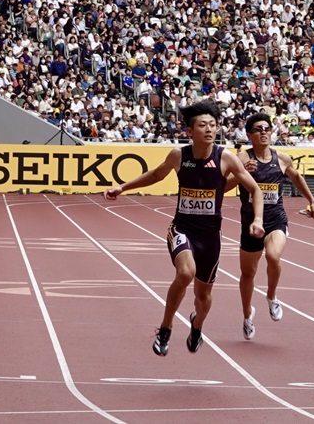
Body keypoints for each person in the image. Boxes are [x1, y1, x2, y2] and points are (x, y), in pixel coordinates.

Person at [104, 101, 264, 356]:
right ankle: (166, 327)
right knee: (186, 273)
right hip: (182, 229)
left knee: (203, 297)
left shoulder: (225, 158)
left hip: (210, 236)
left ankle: (197, 325)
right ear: (190, 131)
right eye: (202, 125)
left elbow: (255, 189)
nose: (209, 130)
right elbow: (156, 175)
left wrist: (257, 220)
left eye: (213, 125)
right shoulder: (179, 156)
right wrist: (122, 187)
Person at [224, 113, 314, 340]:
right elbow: (222, 187)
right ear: (249, 135)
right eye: (258, 129)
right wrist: (242, 172)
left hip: (275, 218)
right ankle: (248, 315)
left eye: (267, 128)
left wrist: (312, 200)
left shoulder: (282, 158)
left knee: (274, 256)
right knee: (247, 274)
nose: (264, 132)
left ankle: (272, 296)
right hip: (250, 223)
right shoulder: (240, 157)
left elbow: (297, 178)